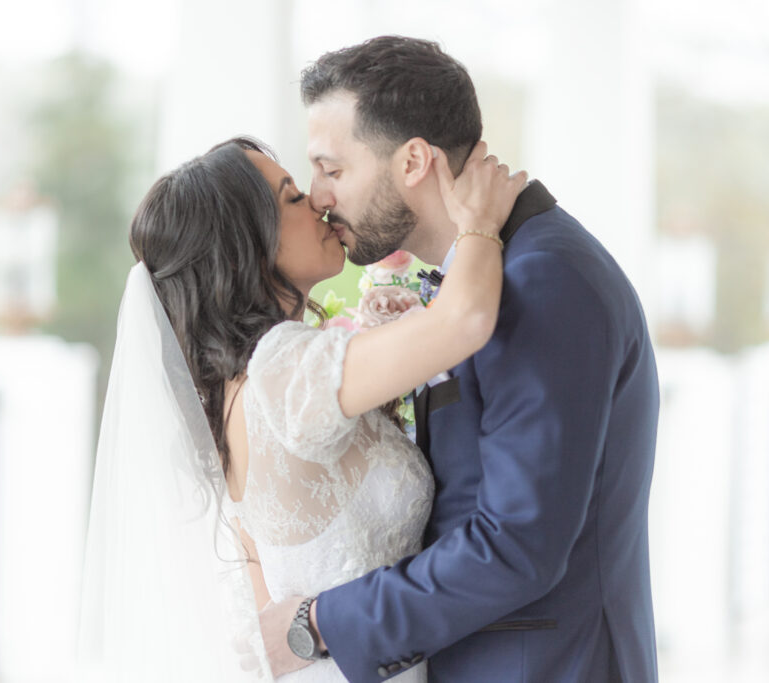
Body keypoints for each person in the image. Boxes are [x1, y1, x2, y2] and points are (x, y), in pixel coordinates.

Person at [258, 36, 661, 682]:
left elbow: (518, 544)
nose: (319, 196)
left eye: (332, 169)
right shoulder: (485, 274)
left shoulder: (544, 280)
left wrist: (320, 622)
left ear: (413, 160)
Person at [76, 135, 525, 682]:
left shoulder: (233, 392)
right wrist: (478, 221)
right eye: (291, 197)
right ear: (248, 247)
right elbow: (465, 321)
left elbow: (266, 612)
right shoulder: (282, 369)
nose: (319, 201)